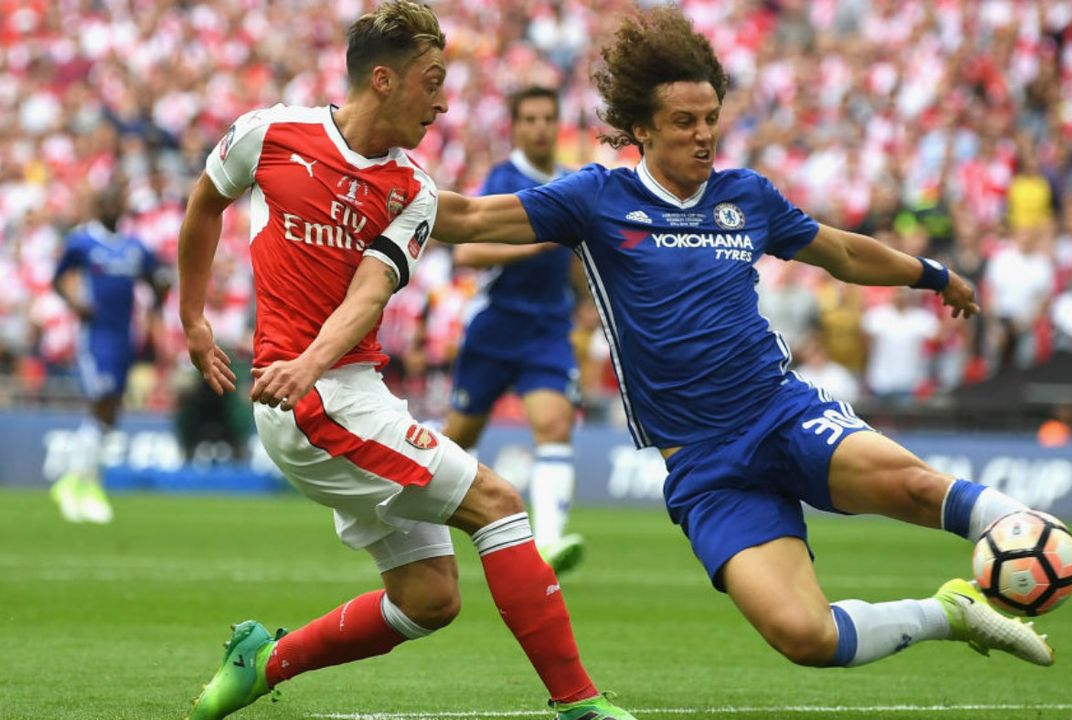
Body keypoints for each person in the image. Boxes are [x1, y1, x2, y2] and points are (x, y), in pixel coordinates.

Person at [431, 5, 1072, 675]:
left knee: (916, 485)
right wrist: (373, 189)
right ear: (642, 129)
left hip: (780, 411)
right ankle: (952, 614)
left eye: (710, 116)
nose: (702, 134)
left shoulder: (745, 195)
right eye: (683, 121)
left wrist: (933, 274)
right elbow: (469, 218)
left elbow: (839, 252)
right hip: (704, 466)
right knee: (805, 638)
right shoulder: (596, 199)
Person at [176, 4, 634, 720]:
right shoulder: (269, 134)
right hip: (311, 400)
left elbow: (369, 295)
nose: (443, 99)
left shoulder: (410, 190)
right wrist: (194, 320)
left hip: (337, 389)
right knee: (499, 504)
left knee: (429, 597)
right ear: (383, 80)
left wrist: (312, 360)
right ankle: (578, 703)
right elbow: (206, 203)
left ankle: (263, 662)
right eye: (432, 80)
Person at [443, 86, 585, 573]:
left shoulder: (572, 184)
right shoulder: (503, 181)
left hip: (548, 328)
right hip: (496, 327)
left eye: (548, 117)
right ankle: (414, 521)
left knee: (554, 426)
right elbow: (466, 252)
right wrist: (531, 246)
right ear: (516, 126)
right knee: (457, 437)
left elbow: (575, 263)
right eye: (530, 118)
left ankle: (547, 545)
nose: (540, 127)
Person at [49, 183, 168, 524]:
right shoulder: (82, 242)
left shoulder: (135, 247)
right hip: (96, 334)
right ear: (98, 208)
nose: (113, 207)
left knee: (111, 411)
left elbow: (156, 280)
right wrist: (75, 302)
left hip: (124, 336)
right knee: (100, 401)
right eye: (107, 202)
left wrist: (154, 310)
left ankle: (81, 483)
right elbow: (58, 278)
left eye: (117, 201)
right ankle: (79, 485)